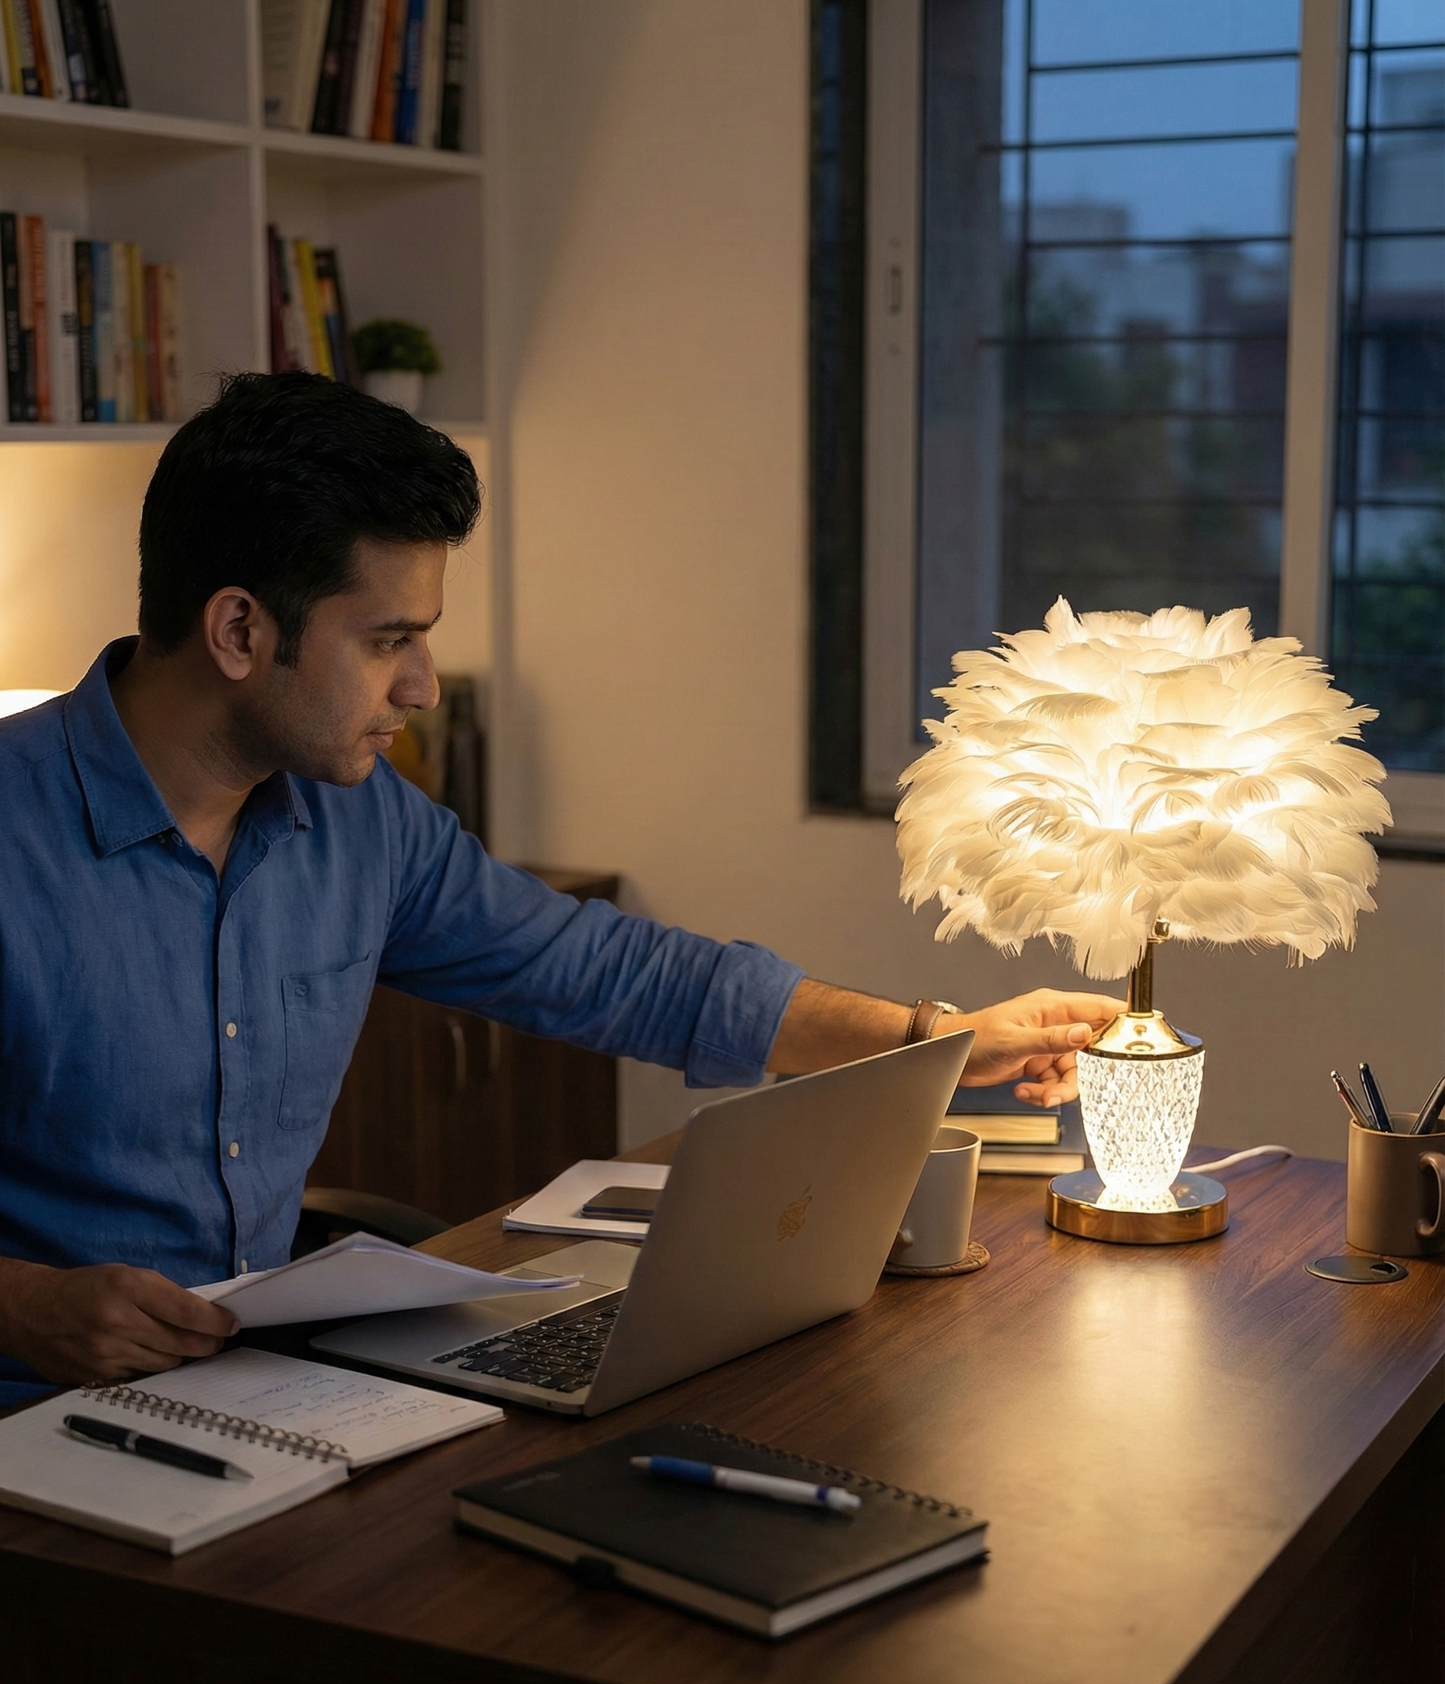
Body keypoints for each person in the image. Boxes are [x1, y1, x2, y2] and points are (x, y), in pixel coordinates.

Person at [0, 374, 1120, 1387]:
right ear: (239, 629)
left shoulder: (356, 820)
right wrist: (26, 1306)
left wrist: (939, 1039)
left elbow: (610, 971)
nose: (424, 687)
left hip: (248, 1392)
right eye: (390, 640)